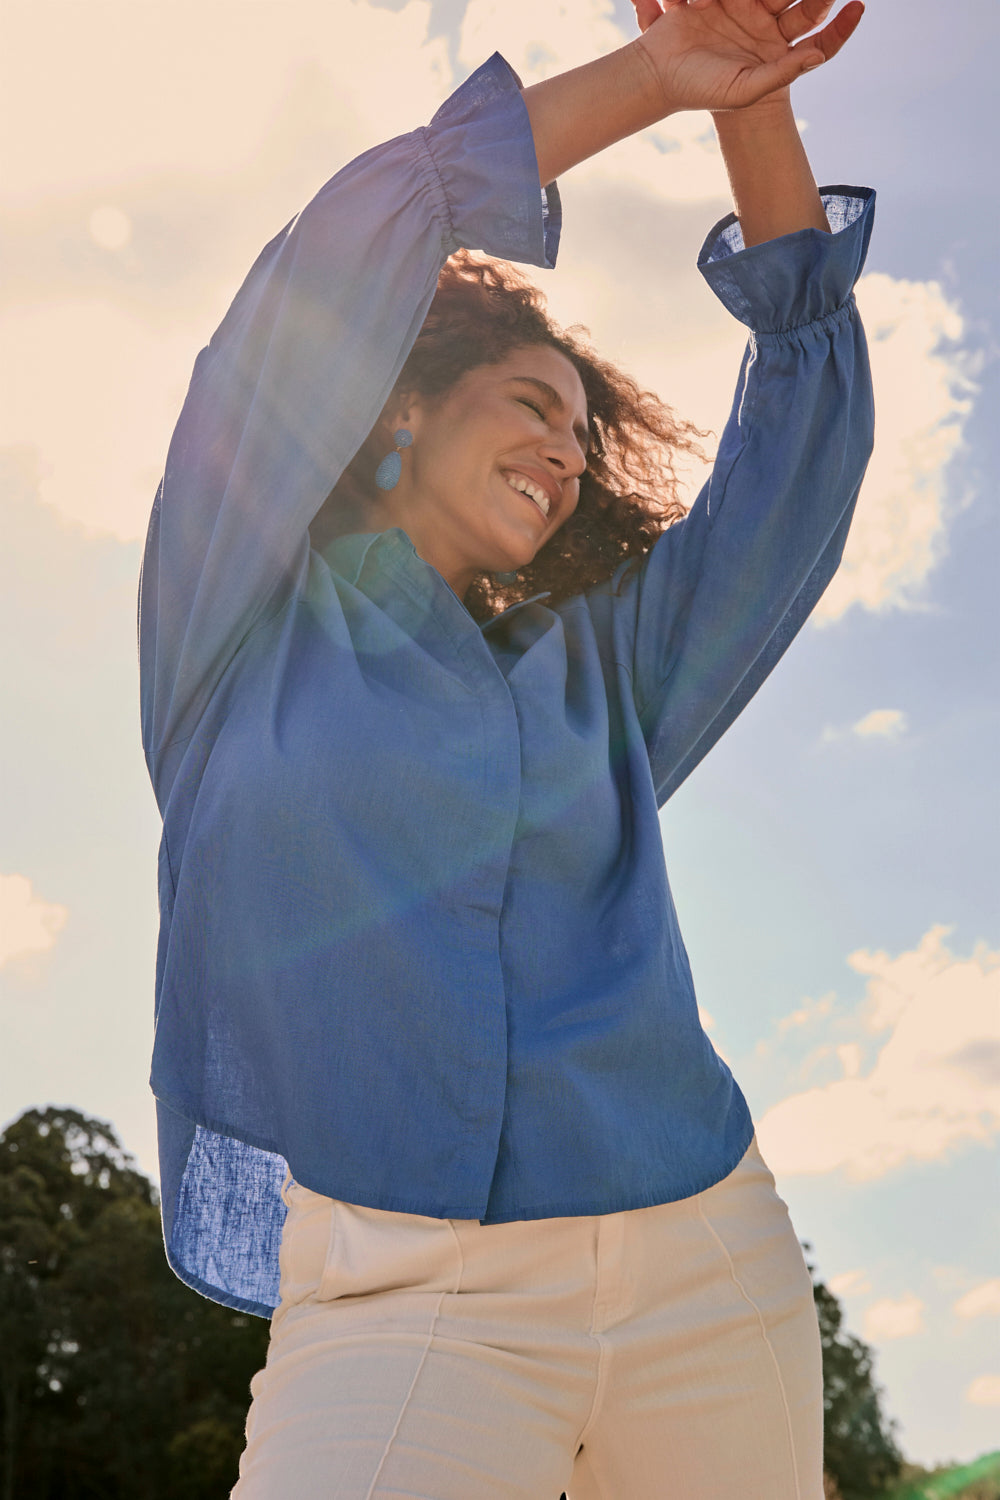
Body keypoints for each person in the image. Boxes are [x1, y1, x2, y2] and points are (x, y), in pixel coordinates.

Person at [138, 0, 875, 1494]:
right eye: (534, 405)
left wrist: (756, 105)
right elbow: (337, 257)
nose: (564, 450)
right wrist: (656, 77)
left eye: (583, 440)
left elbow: (803, 458)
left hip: (705, 1260)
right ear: (401, 409)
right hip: (408, 1290)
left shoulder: (600, 670)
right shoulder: (233, 625)